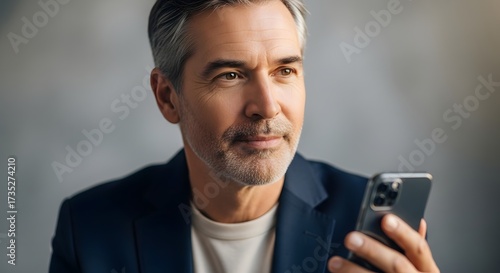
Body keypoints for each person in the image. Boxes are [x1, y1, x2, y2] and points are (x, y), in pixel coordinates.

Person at [49, 0, 440, 272]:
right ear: (168, 97)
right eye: (230, 76)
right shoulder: (90, 229)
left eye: (284, 71)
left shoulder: (367, 223)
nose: (267, 106)